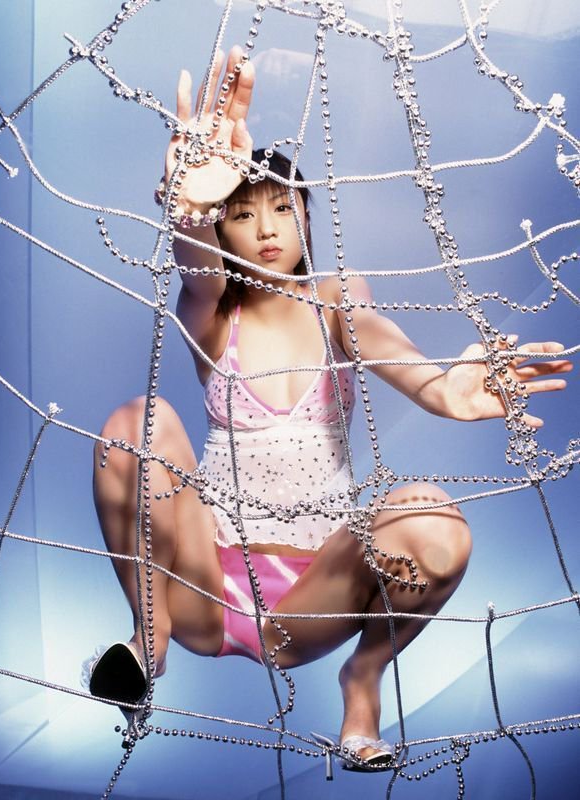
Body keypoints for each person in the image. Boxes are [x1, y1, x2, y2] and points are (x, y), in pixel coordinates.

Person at [85, 46, 571, 769]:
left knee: (437, 523)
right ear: (224, 229)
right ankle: (145, 643)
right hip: (198, 586)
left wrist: (441, 389)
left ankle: (363, 681)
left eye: (283, 207)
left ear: (307, 216)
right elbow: (195, 269)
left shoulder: (337, 297)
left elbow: (377, 338)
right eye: (243, 214)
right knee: (136, 422)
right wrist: (191, 207)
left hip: (310, 598)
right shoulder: (213, 315)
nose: (267, 228)